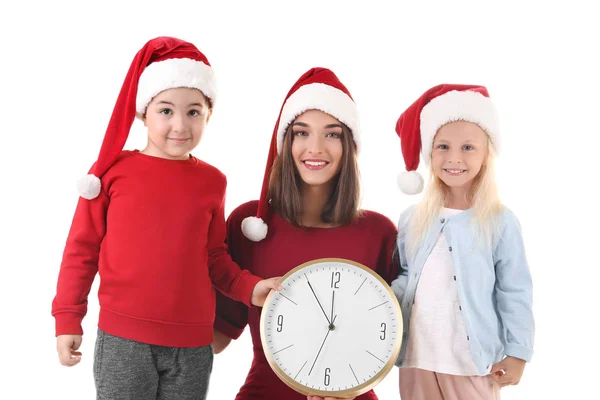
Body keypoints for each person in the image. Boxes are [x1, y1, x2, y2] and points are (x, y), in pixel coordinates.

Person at [51, 36, 280, 400]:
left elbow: (214, 258)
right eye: (166, 110)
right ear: (143, 112)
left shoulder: (213, 182)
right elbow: (82, 249)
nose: (180, 125)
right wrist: (68, 317)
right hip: (124, 340)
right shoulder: (111, 173)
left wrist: (250, 288)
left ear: (208, 115)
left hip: (192, 345)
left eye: (193, 112)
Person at [212, 67, 399, 400]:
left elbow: (395, 339)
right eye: (301, 132)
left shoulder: (379, 233)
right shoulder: (250, 225)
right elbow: (218, 336)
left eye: (332, 134)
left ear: (349, 145)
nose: (315, 147)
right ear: (286, 141)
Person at [392, 84, 535, 400]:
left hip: (472, 362)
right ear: (430, 152)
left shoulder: (499, 221)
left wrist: (518, 350)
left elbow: (514, 289)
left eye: (468, 147)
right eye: (443, 146)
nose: (453, 158)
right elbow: (404, 276)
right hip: (416, 358)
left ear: (486, 154)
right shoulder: (412, 218)